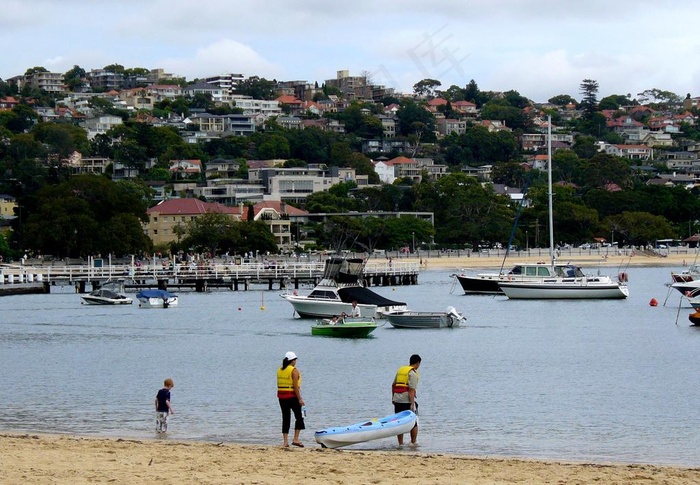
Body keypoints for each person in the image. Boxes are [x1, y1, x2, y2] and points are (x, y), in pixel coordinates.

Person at [391, 354, 421, 446]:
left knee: (399, 422)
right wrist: (412, 404)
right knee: (414, 422)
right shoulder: (412, 373)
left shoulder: (401, 371)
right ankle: (413, 442)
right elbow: (411, 390)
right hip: (406, 400)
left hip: (397, 399)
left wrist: (393, 398)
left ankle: (400, 444)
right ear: (418, 363)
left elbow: (393, 385)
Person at [277, 351, 305, 447]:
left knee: (286, 418)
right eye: (295, 359)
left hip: (281, 397)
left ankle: (285, 442)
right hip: (292, 397)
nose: (296, 361)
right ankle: (295, 439)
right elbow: (295, 386)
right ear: (292, 360)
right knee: (299, 417)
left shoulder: (280, 370)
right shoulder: (294, 370)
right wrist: (300, 399)